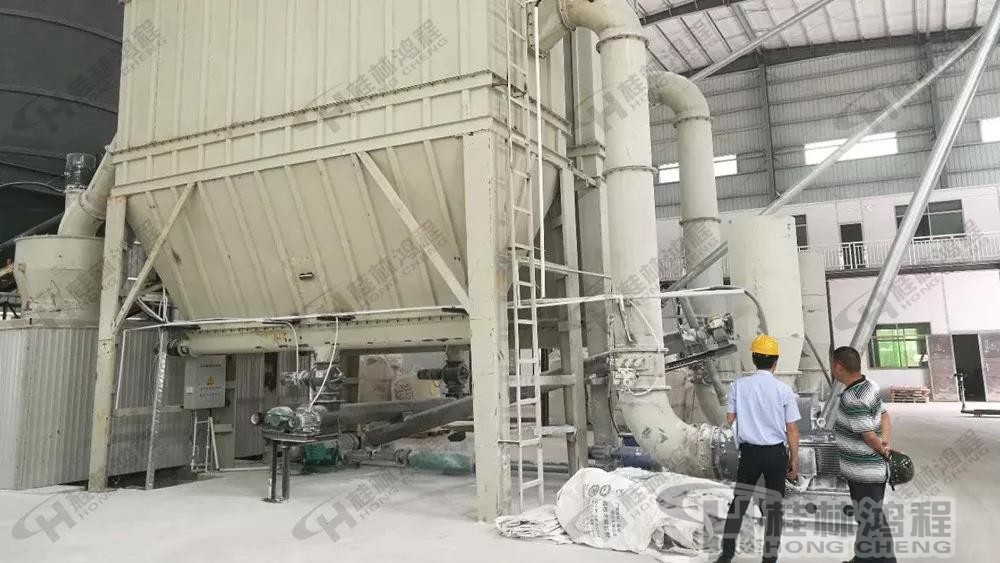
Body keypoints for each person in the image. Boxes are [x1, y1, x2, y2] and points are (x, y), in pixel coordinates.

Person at [715, 334, 800, 563]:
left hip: (750, 453)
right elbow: (792, 429)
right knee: (774, 507)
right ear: (775, 362)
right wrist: (794, 459)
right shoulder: (784, 390)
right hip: (776, 454)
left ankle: (726, 555)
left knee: (739, 503)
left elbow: (730, 418)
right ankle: (769, 558)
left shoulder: (738, 386)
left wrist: (747, 427)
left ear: (754, 359)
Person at [829, 346, 897, 563]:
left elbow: (868, 435)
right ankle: (862, 557)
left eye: (832, 365)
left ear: (839, 367)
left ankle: (887, 560)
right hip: (870, 468)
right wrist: (884, 442)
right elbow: (884, 416)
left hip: (864, 471)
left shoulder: (853, 397)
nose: (831, 369)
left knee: (871, 520)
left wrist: (881, 449)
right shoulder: (870, 385)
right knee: (868, 517)